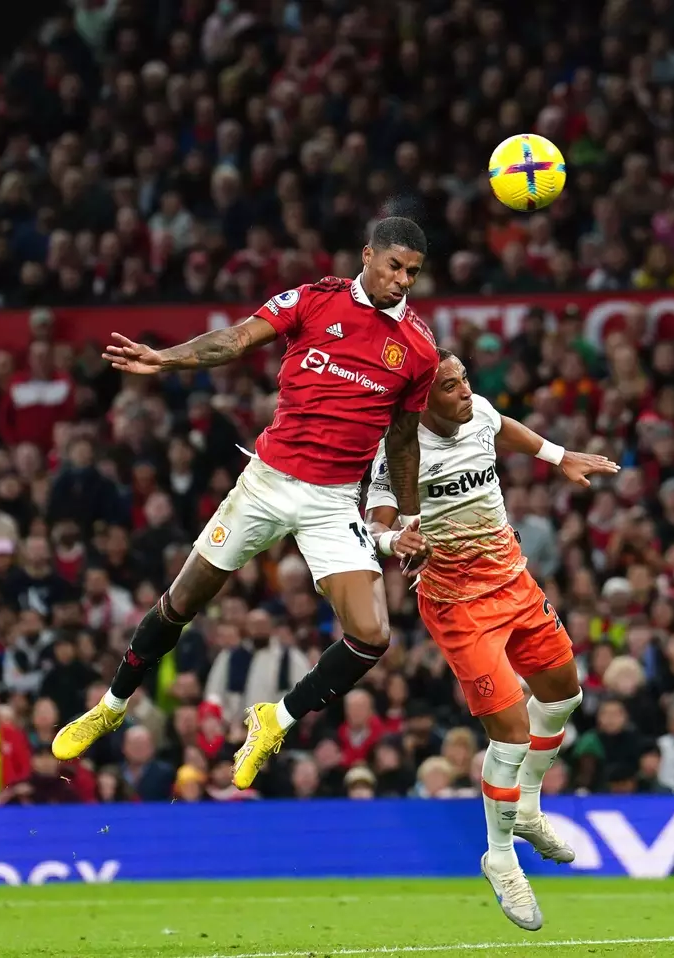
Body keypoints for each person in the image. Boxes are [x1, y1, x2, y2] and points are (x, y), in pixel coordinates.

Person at [52, 217, 441, 790]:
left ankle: (274, 719)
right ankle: (110, 706)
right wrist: (166, 359)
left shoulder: (417, 349)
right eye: (394, 266)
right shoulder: (313, 301)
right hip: (267, 483)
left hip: (334, 502)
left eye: (413, 272)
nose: (403, 280)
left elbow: (403, 440)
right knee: (181, 602)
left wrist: (407, 517)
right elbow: (232, 339)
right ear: (367, 255)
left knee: (373, 636)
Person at [365, 349, 618, 932]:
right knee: (508, 732)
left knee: (563, 695)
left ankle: (528, 804)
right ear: (422, 399)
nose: (465, 392)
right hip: (458, 607)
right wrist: (391, 544)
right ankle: (500, 858)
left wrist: (559, 456)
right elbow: (376, 521)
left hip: (514, 581)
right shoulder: (399, 451)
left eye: (464, 381)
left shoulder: (475, 412)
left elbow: (505, 427)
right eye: (450, 387)